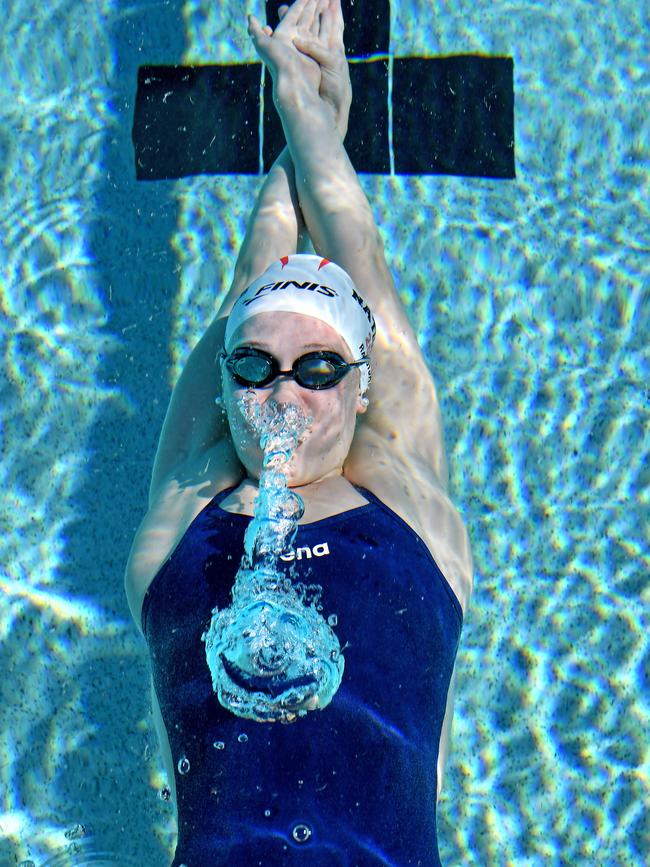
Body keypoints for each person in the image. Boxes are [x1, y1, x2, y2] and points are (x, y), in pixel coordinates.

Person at [124, 1, 473, 864]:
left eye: (319, 369)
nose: (285, 394)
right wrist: (309, 117)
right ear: (227, 384)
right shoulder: (185, 509)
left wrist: (306, 114)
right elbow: (253, 283)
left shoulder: (406, 496)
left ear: (361, 387)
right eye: (256, 368)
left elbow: (359, 264)